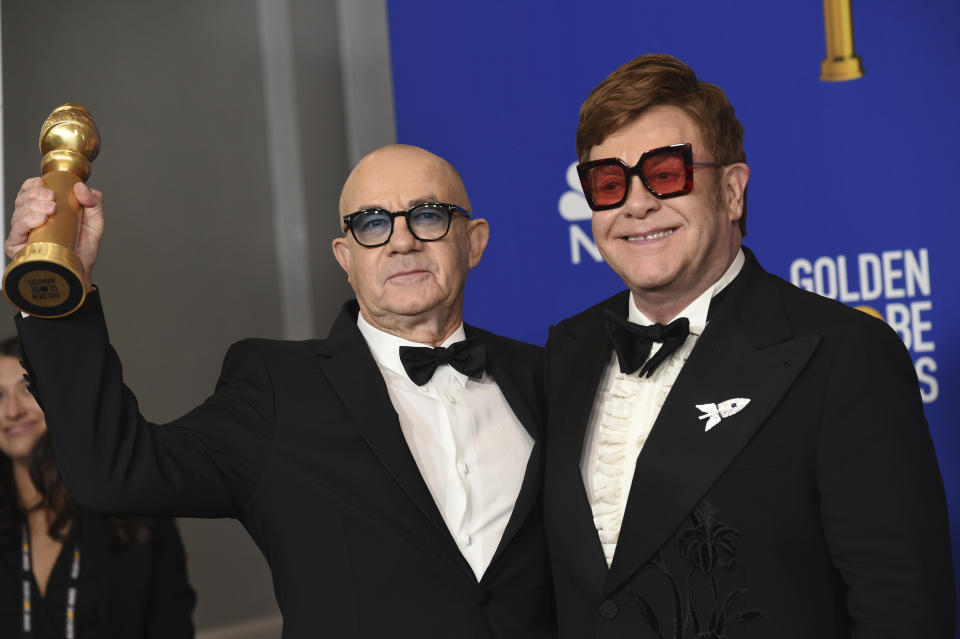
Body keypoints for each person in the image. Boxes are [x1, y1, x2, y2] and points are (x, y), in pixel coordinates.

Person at [7, 144, 555, 638]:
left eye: (429, 215)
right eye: (372, 224)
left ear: (474, 241)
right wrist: (54, 290)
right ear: (346, 258)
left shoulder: (546, 377)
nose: (402, 241)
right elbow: (112, 474)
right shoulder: (277, 389)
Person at [543, 54, 955, 638]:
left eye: (665, 174)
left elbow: (903, 607)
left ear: (732, 191)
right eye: (608, 183)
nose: (636, 204)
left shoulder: (842, 354)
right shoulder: (567, 352)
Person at [0, 336, 195, 638]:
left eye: (27, 389)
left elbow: (171, 626)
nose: (12, 410)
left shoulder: (133, 508)